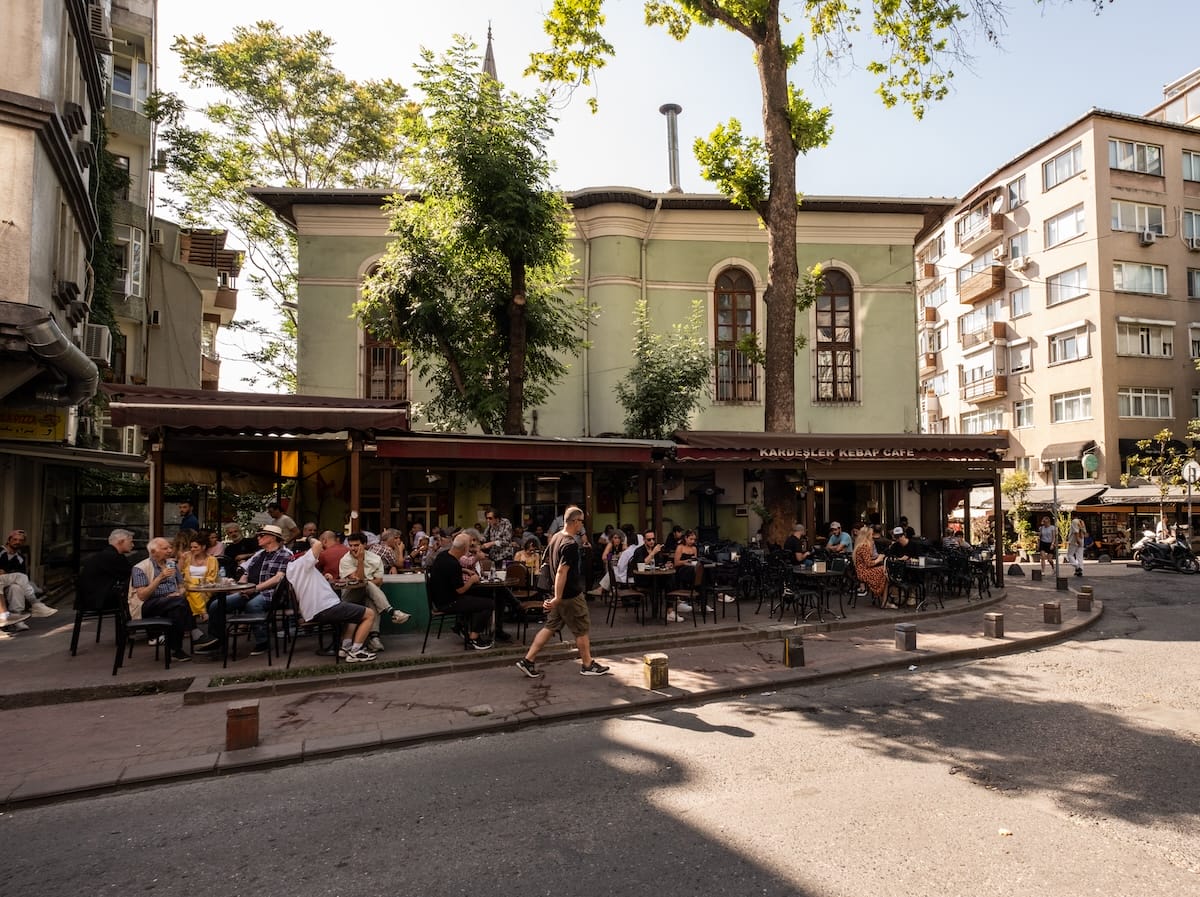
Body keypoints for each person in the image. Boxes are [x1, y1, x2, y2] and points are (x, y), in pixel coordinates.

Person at [516, 506, 610, 679]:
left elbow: (546, 565)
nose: (582, 525)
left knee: (550, 626)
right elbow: (561, 571)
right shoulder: (570, 544)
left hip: (557, 594)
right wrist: (558, 597)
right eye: (581, 521)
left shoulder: (556, 538)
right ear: (574, 521)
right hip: (570, 595)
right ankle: (587, 664)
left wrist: (551, 595)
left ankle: (527, 660)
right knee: (581, 628)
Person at [289, 537, 378, 663]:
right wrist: (308, 538)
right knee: (369, 614)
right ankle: (355, 652)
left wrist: (323, 578)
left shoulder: (293, 567)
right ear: (306, 553)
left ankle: (345, 648)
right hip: (324, 608)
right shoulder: (304, 562)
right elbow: (318, 544)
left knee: (353, 611)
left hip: (316, 610)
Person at [130, 537, 210, 661]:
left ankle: (176, 651)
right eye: (165, 548)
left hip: (172, 603)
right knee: (178, 604)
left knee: (177, 608)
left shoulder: (171, 564)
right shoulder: (140, 568)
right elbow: (142, 596)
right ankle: (195, 632)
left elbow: (182, 586)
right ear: (153, 552)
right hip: (147, 606)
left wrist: (178, 593)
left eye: (170, 547)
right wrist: (160, 577)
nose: (169, 550)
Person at [338, 531, 410, 652]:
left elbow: (379, 581)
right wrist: (360, 560)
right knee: (366, 584)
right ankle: (392, 612)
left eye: (356, 545)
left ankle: (373, 640)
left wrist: (367, 581)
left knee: (371, 600)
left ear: (365, 544)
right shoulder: (345, 559)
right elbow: (359, 581)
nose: (353, 548)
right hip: (350, 595)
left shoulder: (375, 559)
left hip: (369, 593)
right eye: (351, 545)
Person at [428, 532, 494, 650]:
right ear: (465, 549)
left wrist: (464, 570)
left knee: (483, 594)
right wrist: (472, 580)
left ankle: (461, 627)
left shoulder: (443, 556)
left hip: (439, 599)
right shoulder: (453, 564)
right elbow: (460, 590)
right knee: (488, 603)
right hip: (449, 602)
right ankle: (474, 637)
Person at [0, 529, 54, 621]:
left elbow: (21, 573)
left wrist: (7, 572)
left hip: (7, 581)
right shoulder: (0, 551)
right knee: (20, 577)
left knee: (16, 587)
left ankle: (16, 619)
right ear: (9, 540)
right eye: (15, 539)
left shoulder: (20, 558)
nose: (17, 542)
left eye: (20, 540)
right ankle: (35, 603)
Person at [180, 535, 220, 648]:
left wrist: (194, 583)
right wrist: (181, 560)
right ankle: (202, 612)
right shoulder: (187, 558)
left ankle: (200, 613)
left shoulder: (212, 560)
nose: (192, 550)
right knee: (189, 593)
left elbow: (211, 578)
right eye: (191, 547)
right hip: (188, 588)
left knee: (192, 593)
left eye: (195, 547)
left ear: (203, 547)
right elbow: (179, 573)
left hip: (205, 588)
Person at [852, 525, 889, 607]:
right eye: (871, 534)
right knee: (885, 572)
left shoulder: (860, 545)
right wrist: (879, 559)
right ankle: (884, 601)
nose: (873, 536)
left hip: (862, 571)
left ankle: (882, 599)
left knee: (884, 572)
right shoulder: (864, 546)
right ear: (867, 535)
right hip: (864, 572)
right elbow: (868, 563)